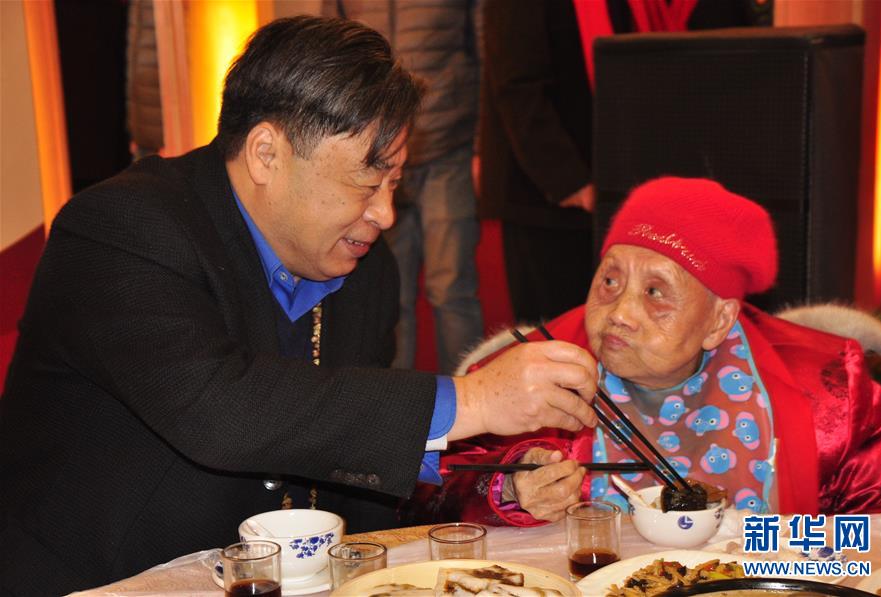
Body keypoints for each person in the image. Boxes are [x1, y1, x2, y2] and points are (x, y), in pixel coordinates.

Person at [0, 16, 600, 595]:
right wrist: (473, 400)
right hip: (105, 580)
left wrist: (496, 489)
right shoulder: (122, 228)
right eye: (366, 183)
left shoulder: (365, 267)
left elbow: (351, 468)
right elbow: (221, 410)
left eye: (395, 183)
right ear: (266, 153)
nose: (385, 215)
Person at [407, 177, 881, 526]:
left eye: (655, 292)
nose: (619, 313)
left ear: (719, 320)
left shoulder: (825, 387)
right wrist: (508, 491)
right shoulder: (528, 371)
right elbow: (422, 490)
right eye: (610, 281)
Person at [323, 0, 484, 375]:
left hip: (448, 147)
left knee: (452, 288)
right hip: (375, 155)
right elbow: (332, 56)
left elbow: (484, 52)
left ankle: (471, 392)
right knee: (390, 292)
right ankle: (396, 398)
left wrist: (482, 146)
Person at [478, 0, 596, 323]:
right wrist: (568, 179)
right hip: (545, 195)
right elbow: (516, 83)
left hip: (600, 183)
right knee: (556, 332)